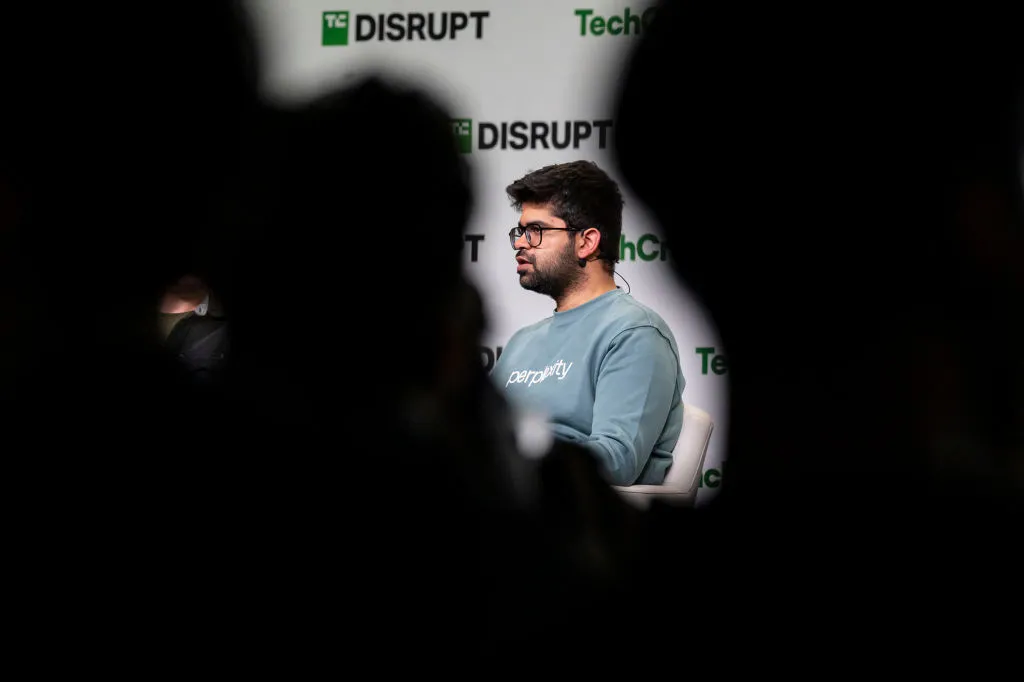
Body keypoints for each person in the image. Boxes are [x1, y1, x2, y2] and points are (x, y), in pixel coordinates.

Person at [490, 160, 686, 487]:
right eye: (520, 232)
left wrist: (513, 461)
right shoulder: (521, 342)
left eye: (536, 231)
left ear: (587, 242)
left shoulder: (634, 333)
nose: (521, 243)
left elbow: (615, 461)